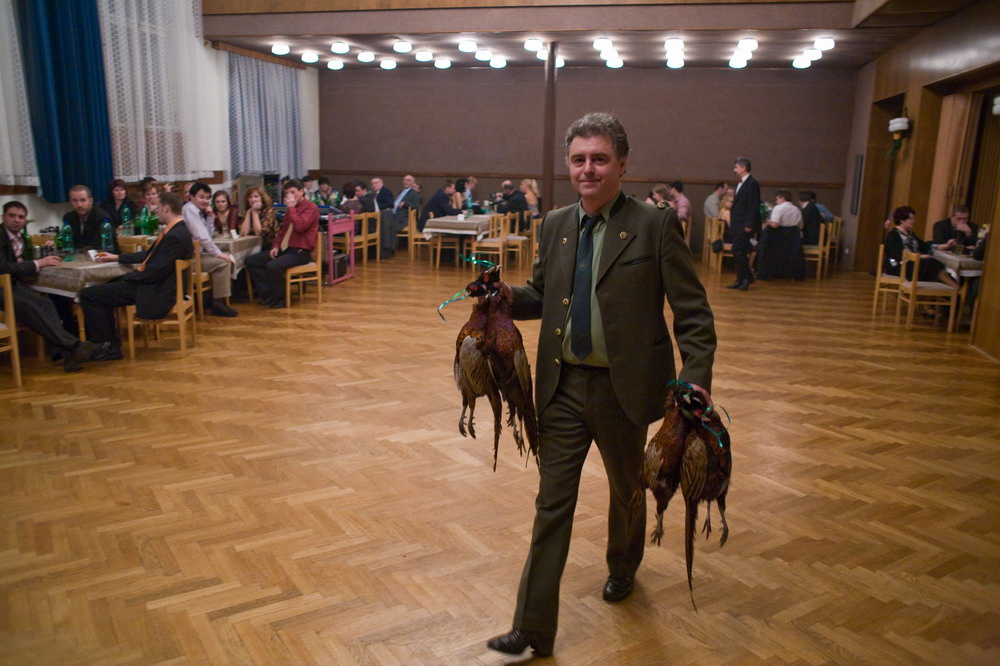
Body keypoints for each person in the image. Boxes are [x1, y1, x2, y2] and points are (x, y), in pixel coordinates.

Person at [487, 112, 716, 658]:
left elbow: (694, 316)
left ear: (622, 164)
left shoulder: (654, 225)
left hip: (624, 388)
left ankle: (623, 565)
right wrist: (504, 297)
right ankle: (533, 628)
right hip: (562, 387)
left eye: (599, 158)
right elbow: (543, 294)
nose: (587, 169)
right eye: (578, 159)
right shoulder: (555, 223)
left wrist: (694, 383)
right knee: (552, 503)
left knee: (626, 490)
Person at [78, 193, 194, 361]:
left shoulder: (174, 235)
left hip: (157, 289)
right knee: (104, 288)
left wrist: (129, 276)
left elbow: (155, 271)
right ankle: (109, 343)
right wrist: (117, 257)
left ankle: (107, 346)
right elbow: (149, 255)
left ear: (166, 208)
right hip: (158, 283)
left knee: (89, 295)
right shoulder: (177, 229)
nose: (155, 211)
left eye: (157, 207)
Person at [0, 201, 107, 372]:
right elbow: (3, 267)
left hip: (11, 284)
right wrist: (38, 263)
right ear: (3, 217)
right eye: (12, 216)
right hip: (2, 286)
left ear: (25, 220)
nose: (16, 220)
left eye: (21, 217)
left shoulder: (21, 238)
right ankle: (75, 346)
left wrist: (41, 255)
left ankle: (66, 354)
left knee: (46, 303)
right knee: (27, 306)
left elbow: (19, 264)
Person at [244, 179, 319, 309]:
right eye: (287, 193)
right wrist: (276, 246)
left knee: (273, 266)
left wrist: (291, 207)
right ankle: (269, 292)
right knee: (251, 261)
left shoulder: (311, 207)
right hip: (286, 248)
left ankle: (282, 297)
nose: (290, 196)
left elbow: (300, 226)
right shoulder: (291, 209)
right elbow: (283, 231)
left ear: (301, 191)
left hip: (301, 251)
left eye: (293, 192)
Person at [182, 182, 238, 317]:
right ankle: (218, 304)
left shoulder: (197, 211)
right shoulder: (190, 209)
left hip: (196, 255)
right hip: (188, 259)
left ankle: (211, 299)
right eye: (201, 197)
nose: (205, 201)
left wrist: (211, 218)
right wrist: (219, 254)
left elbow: (207, 234)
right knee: (223, 263)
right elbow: (202, 238)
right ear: (192, 197)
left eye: (207, 198)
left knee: (226, 258)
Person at [882, 205, 959, 287]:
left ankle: (950, 288)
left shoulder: (910, 234)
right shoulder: (893, 235)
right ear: (902, 220)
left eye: (913, 218)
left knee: (934, 264)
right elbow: (897, 255)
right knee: (932, 264)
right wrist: (919, 257)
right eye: (910, 219)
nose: (913, 221)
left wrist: (946, 246)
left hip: (913, 263)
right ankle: (955, 287)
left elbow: (925, 246)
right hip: (898, 266)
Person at [728, 157, 761, 291]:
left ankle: (746, 278)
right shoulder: (741, 183)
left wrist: (749, 224)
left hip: (744, 224)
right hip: (738, 223)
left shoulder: (752, 183)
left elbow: (753, 205)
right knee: (738, 250)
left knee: (737, 250)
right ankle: (741, 279)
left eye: (736, 167)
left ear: (744, 168)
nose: (734, 170)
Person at [757, 190, 805, 280]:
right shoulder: (797, 209)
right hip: (792, 239)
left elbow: (775, 224)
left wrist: (767, 222)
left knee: (764, 244)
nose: (776, 202)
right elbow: (801, 226)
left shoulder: (778, 208)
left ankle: (767, 272)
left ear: (782, 198)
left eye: (777, 199)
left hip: (778, 239)